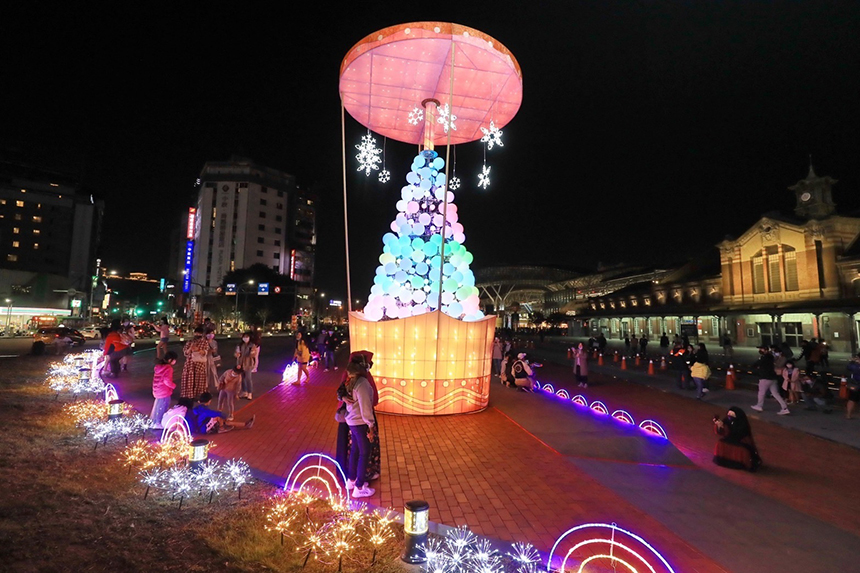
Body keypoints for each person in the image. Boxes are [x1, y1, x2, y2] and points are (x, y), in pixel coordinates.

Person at [343, 362, 376, 498]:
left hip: (352, 420)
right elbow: (365, 406)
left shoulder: (351, 382)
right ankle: (359, 487)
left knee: (356, 450)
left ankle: (351, 480)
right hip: (360, 422)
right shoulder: (361, 383)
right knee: (364, 452)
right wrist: (371, 425)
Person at [713, 407, 762, 472]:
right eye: (729, 414)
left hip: (740, 440)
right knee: (720, 443)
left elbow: (739, 434)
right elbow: (722, 433)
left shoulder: (742, 423)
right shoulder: (726, 420)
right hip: (730, 438)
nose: (729, 416)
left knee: (743, 449)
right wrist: (720, 426)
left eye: (732, 415)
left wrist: (727, 429)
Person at [188, 392, 254, 435]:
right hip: (202, 429)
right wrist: (225, 416)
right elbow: (216, 413)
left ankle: (245, 424)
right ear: (209, 401)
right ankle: (221, 428)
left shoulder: (198, 408)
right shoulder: (204, 410)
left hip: (198, 427)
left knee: (223, 420)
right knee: (218, 417)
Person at [750, 346, 790, 415]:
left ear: (765, 350)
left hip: (765, 377)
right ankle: (784, 407)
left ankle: (759, 405)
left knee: (761, 392)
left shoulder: (764, 357)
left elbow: (755, 364)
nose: (760, 350)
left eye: (761, 349)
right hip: (773, 378)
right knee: (775, 393)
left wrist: (758, 368)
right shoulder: (771, 357)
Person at [180, 326, 210, 398]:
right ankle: (188, 395)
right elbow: (185, 353)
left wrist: (198, 349)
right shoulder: (189, 342)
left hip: (200, 363)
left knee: (199, 380)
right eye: (196, 333)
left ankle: (198, 395)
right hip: (190, 363)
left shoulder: (205, 342)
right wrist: (190, 348)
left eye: (199, 333)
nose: (198, 335)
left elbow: (205, 352)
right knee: (189, 379)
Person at [150, 351, 178, 429]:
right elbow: (167, 380)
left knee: (158, 406)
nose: (175, 361)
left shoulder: (158, 367)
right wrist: (173, 386)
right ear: (170, 360)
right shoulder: (168, 368)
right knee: (163, 406)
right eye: (174, 360)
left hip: (157, 389)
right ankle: (158, 423)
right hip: (164, 391)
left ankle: (154, 421)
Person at [235, 332, 259, 400]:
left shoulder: (252, 345)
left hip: (248, 363)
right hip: (241, 363)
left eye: (247, 337)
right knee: (242, 378)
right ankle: (244, 391)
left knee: (248, 378)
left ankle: (250, 392)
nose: (245, 338)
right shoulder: (240, 345)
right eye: (244, 337)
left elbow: (253, 354)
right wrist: (237, 355)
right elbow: (237, 354)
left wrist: (252, 352)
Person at [845, 355, 860, 420]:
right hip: (856, 383)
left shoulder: (855, 365)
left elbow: (849, 367)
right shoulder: (855, 365)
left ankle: (848, 414)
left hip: (855, 383)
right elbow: (849, 367)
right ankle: (848, 414)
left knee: (852, 399)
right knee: (852, 399)